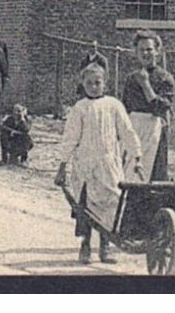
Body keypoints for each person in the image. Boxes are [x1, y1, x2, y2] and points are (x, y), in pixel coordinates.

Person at [55, 63, 143, 265]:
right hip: (85, 166)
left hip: (109, 164)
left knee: (110, 204)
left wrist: (137, 157)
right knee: (84, 207)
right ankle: (85, 244)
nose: (93, 87)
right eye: (89, 83)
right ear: (82, 85)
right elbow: (70, 138)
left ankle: (105, 246)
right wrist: (62, 165)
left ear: (105, 83)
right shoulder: (80, 108)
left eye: (97, 82)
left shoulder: (114, 105)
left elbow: (127, 132)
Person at [121, 30, 175, 180]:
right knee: (130, 172)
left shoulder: (165, 78)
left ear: (157, 51)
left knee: (154, 175)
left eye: (149, 49)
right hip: (134, 130)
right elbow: (125, 108)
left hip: (154, 131)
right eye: (141, 50)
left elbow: (162, 108)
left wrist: (146, 85)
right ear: (136, 53)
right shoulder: (131, 79)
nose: (146, 53)